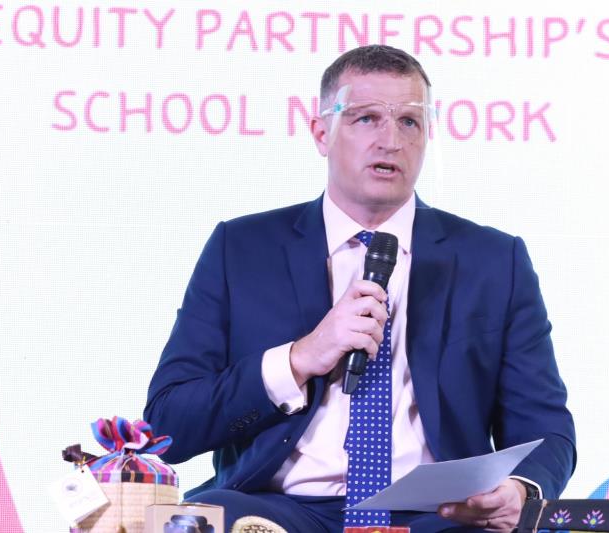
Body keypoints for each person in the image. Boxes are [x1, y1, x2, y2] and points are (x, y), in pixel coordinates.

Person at [145, 45, 575, 533]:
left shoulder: (493, 260)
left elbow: (546, 428)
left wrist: (521, 489)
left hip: (437, 516)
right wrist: (300, 358)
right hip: (279, 509)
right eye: (366, 118)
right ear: (321, 132)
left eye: (409, 121)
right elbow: (168, 424)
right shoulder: (241, 249)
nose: (390, 140)